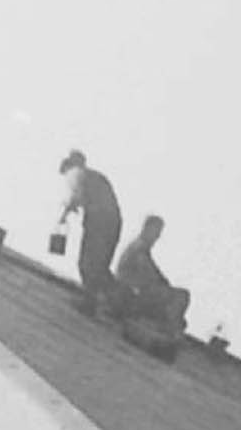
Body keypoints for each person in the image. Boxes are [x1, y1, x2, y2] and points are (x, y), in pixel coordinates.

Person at [108, 214, 195, 357]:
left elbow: (156, 276)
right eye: (156, 232)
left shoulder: (141, 249)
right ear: (147, 229)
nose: (157, 237)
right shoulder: (139, 249)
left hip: (135, 293)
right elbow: (149, 277)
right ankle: (172, 332)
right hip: (131, 295)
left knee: (177, 296)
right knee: (180, 297)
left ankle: (171, 330)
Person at [53, 151, 123, 313]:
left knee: (88, 262)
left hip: (98, 222)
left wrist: (63, 217)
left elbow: (74, 197)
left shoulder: (76, 173)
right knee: (100, 266)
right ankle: (119, 302)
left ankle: (89, 302)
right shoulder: (98, 177)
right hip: (113, 223)